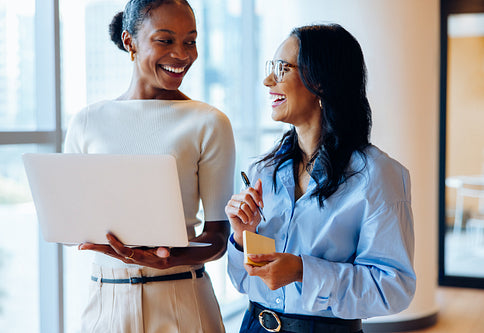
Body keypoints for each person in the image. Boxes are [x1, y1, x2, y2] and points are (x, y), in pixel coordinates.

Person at [225, 24, 416, 333]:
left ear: (322, 82)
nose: (267, 80)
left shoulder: (378, 176)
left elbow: (393, 288)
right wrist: (241, 237)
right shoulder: (263, 170)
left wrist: (303, 271)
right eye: (270, 67)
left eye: (282, 69)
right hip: (254, 326)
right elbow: (244, 281)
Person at [64, 1, 235, 332]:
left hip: (182, 297)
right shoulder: (87, 121)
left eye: (190, 41)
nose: (182, 54)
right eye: (166, 40)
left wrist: (169, 256)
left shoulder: (209, 122)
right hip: (106, 300)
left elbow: (218, 237)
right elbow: (72, 223)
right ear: (130, 41)